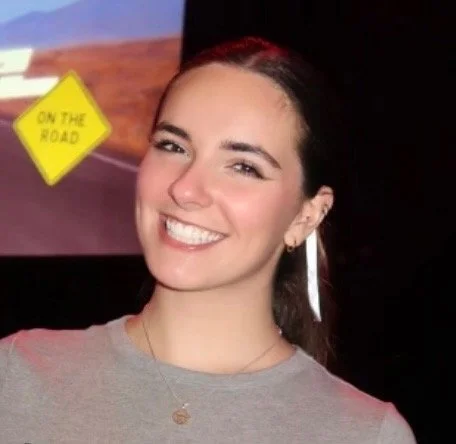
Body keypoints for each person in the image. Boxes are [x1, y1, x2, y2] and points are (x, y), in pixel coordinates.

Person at [0, 36, 416, 443]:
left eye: (243, 167)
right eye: (173, 146)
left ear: (307, 215)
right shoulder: (17, 376)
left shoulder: (364, 434)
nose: (185, 188)